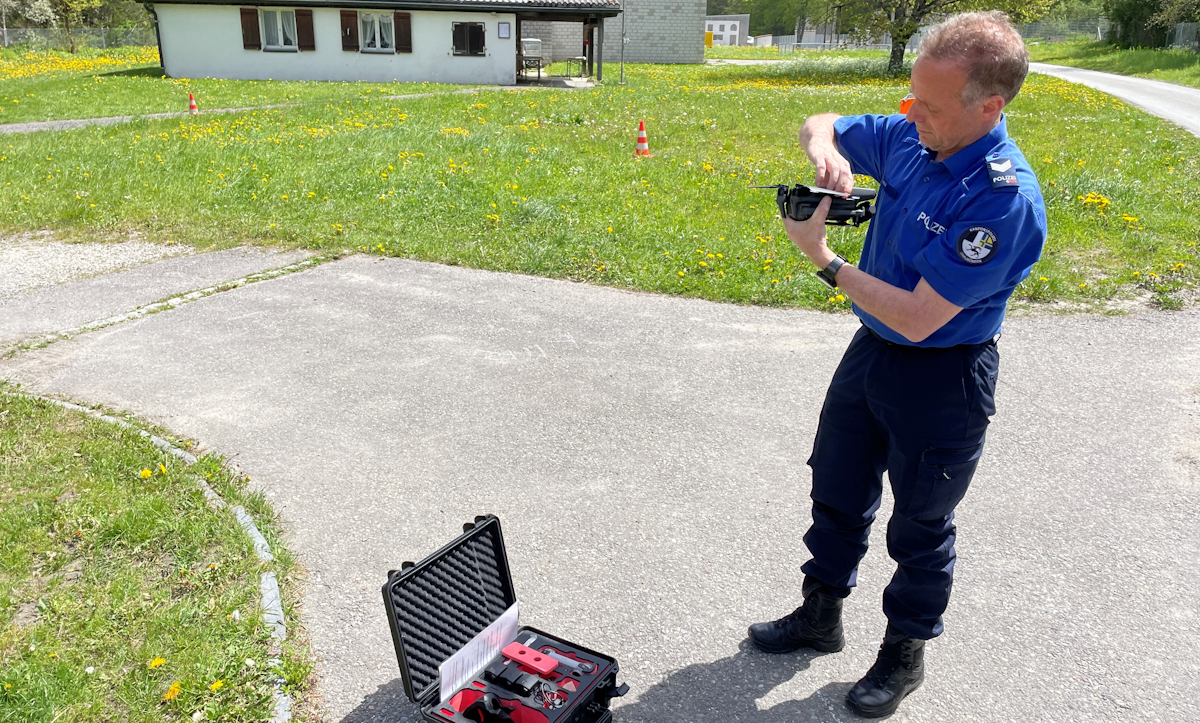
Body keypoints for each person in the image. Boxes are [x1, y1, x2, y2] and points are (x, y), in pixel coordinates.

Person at [746, 11, 1047, 719]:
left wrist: (821, 257)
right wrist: (827, 154)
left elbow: (918, 314)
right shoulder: (918, 136)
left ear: (989, 106)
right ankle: (821, 613)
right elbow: (823, 118)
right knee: (837, 482)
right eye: (909, 97)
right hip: (871, 351)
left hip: (943, 375)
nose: (911, 116)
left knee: (920, 523)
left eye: (931, 107)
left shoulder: (1002, 199)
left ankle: (904, 653)